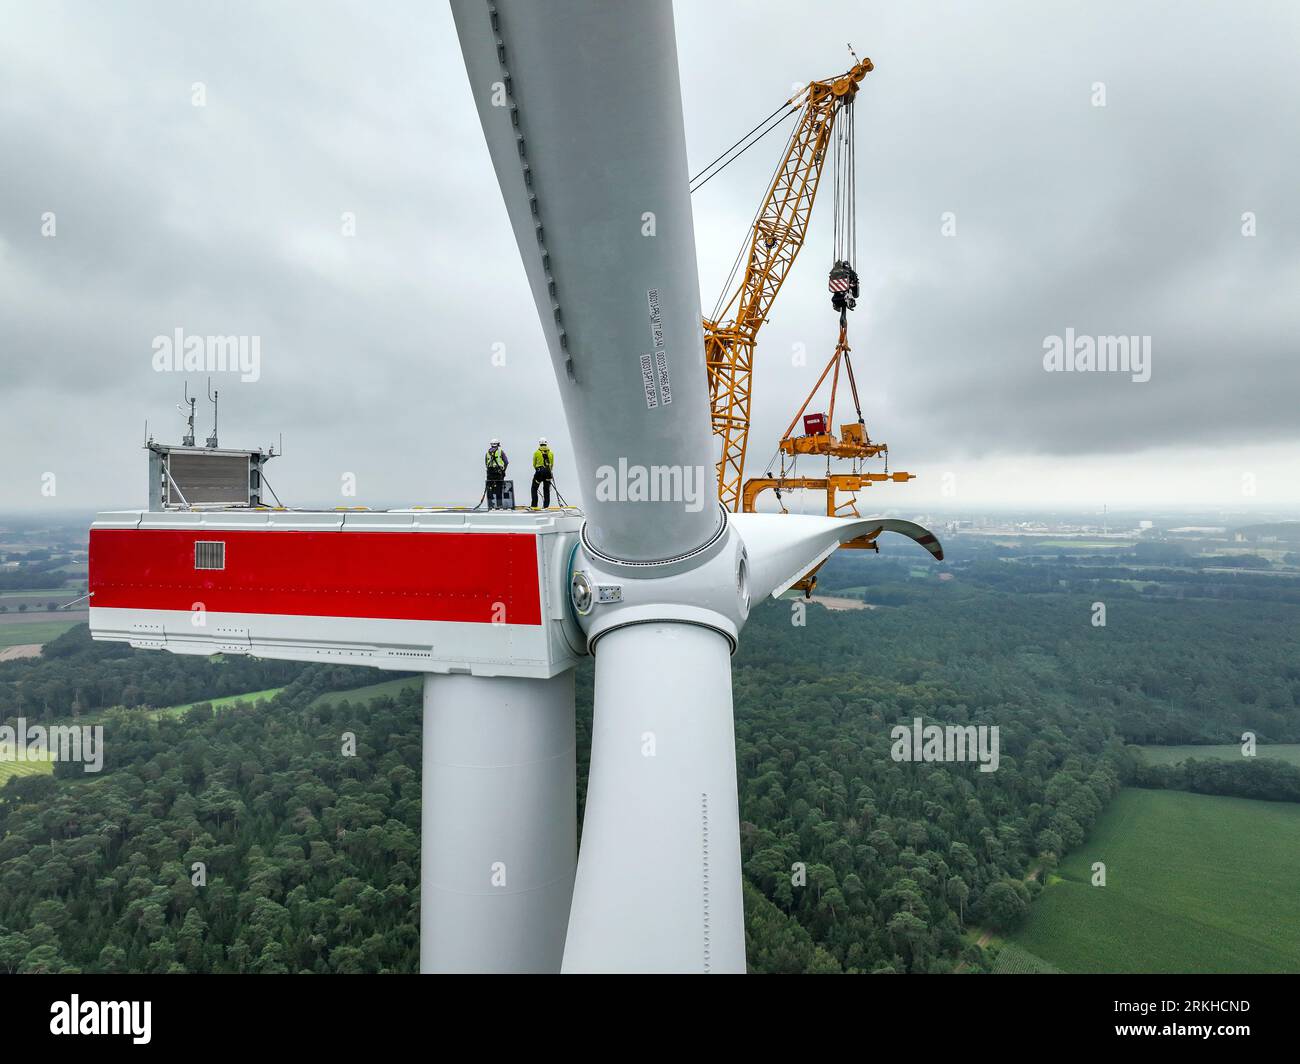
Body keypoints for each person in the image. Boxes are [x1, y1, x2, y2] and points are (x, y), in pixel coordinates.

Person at [484, 438, 509, 509]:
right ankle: (499, 505)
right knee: (499, 488)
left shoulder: (487, 453)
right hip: (498, 473)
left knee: (490, 488)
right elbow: (506, 462)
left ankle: (490, 505)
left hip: (490, 473)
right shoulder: (501, 452)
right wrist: (503, 470)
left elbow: (486, 463)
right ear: (498, 444)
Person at [531, 437, 555, 508]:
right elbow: (552, 464)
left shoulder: (536, 453)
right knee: (546, 490)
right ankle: (545, 506)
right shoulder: (551, 453)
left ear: (539, 444)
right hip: (548, 473)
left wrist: (538, 470)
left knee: (534, 488)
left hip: (539, 472)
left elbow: (534, 464)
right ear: (546, 443)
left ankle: (534, 505)